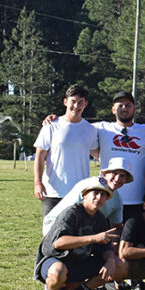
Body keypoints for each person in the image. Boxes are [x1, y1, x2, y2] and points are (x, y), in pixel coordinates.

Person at [34, 180, 122, 290]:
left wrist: (110, 260)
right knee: (58, 271)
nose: (99, 198)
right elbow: (58, 243)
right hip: (56, 259)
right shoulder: (72, 213)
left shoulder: (100, 219)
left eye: (103, 195)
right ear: (84, 195)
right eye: (95, 193)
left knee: (116, 266)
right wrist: (93, 238)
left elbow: (105, 248)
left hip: (78, 261)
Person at [95, 90, 145, 220]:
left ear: (134, 108)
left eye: (128, 105)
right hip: (107, 197)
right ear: (113, 109)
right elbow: (76, 126)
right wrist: (54, 120)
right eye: (120, 105)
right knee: (105, 238)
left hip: (135, 200)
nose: (124, 108)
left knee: (130, 239)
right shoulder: (101, 128)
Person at [33, 84, 99, 215]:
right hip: (53, 192)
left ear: (85, 104)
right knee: (51, 232)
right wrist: (38, 183)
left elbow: (98, 154)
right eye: (73, 101)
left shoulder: (91, 129)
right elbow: (39, 157)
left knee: (76, 233)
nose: (76, 106)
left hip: (80, 193)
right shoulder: (51, 125)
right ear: (65, 102)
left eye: (80, 102)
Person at [41, 157, 133, 237]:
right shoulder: (90, 185)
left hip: (82, 232)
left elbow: (116, 227)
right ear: (105, 174)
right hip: (56, 226)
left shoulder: (117, 200)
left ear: (125, 180)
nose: (117, 179)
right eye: (114, 173)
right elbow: (69, 216)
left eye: (122, 176)